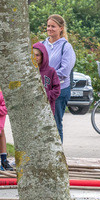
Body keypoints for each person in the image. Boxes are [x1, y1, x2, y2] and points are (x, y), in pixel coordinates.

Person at [43, 14, 76, 142]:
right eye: (48, 26)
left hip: (59, 90)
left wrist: (47, 77)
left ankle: (57, 156)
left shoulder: (66, 47)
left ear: (61, 28)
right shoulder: (42, 45)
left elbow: (65, 71)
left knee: (55, 123)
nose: (50, 29)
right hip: (42, 90)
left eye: (53, 26)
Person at [31, 42, 60, 113]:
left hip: (47, 108)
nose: (35, 58)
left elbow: (57, 90)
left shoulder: (51, 71)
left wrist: (44, 96)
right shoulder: (28, 71)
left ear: (43, 56)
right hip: (31, 109)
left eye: (37, 55)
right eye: (33, 55)